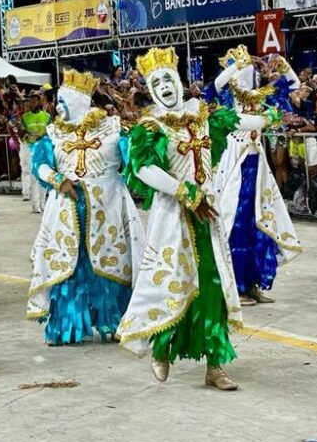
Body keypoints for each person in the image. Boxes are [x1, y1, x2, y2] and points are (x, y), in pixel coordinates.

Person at [116, 47, 245, 391]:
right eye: (156, 81)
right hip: (173, 217)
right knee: (170, 283)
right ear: (151, 88)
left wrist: (265, 114)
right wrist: (184, 191)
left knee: (212, 287)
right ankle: (160, 348)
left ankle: (215, 365)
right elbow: (143, 168)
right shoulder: (149, 126)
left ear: (179, 80)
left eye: (168, 78)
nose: (164, 86)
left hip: (207, 217)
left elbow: (237, 123)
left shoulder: (201, 115)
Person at [27, 68, 145, 345]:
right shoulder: (54, 134)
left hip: (108, 211)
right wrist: (57, 179)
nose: (57, 107)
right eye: (58, 101)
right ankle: (65, 327)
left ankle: (113, 321)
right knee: (69, 268)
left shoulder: (112, 129)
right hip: (66, 212)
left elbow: (134, 161)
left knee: (110, 268)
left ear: (80, 102)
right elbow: (39, 165)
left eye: (63, 101)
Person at [210, 48, 303, 305]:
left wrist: (284, 65)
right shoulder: (229, 101)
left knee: (257, 223)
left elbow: (294, 84)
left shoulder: (259, 98)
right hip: (235, 164)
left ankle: (251, 283)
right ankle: (236, 287)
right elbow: (217, 85)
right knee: (236, 223)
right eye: (243, 70)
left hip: (256, 162)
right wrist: (238, 63)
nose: (249, 73)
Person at [19, 91, 51, 213]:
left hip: (43, 149)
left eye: (33, 101)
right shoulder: (25, 117)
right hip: (30, 148)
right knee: (33, 176)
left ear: (39, 102)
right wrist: (26, 134)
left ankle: (43, 203)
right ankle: (35, 204)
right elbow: (21, 133)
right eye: (30, 101)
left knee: (44, 175)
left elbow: (50, 131)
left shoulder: (47, 116)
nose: (31, 103)